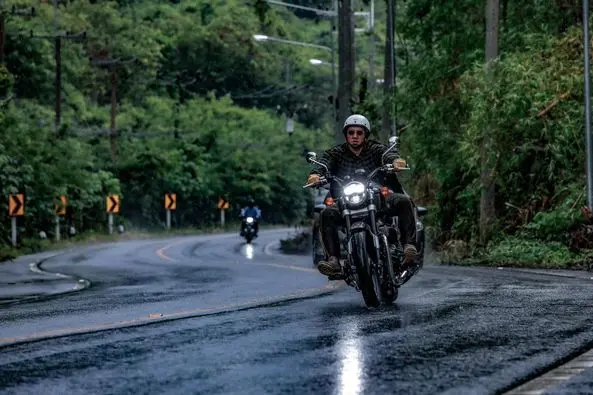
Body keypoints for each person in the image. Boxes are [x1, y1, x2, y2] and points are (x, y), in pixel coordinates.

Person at [305, 114, 418, 278]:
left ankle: (409, 246)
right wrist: (315, 175)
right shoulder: (336, 153)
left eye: (359, 132)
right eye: (351, 132)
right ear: (346, 134)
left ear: (365, 135)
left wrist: (396, 161)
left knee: (403, 201)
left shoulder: (375, 149)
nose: (355, 136)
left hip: (376, 197)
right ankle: (334, 260)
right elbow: (324, 163)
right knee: (326, 214)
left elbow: (388, 154)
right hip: (346, 200)